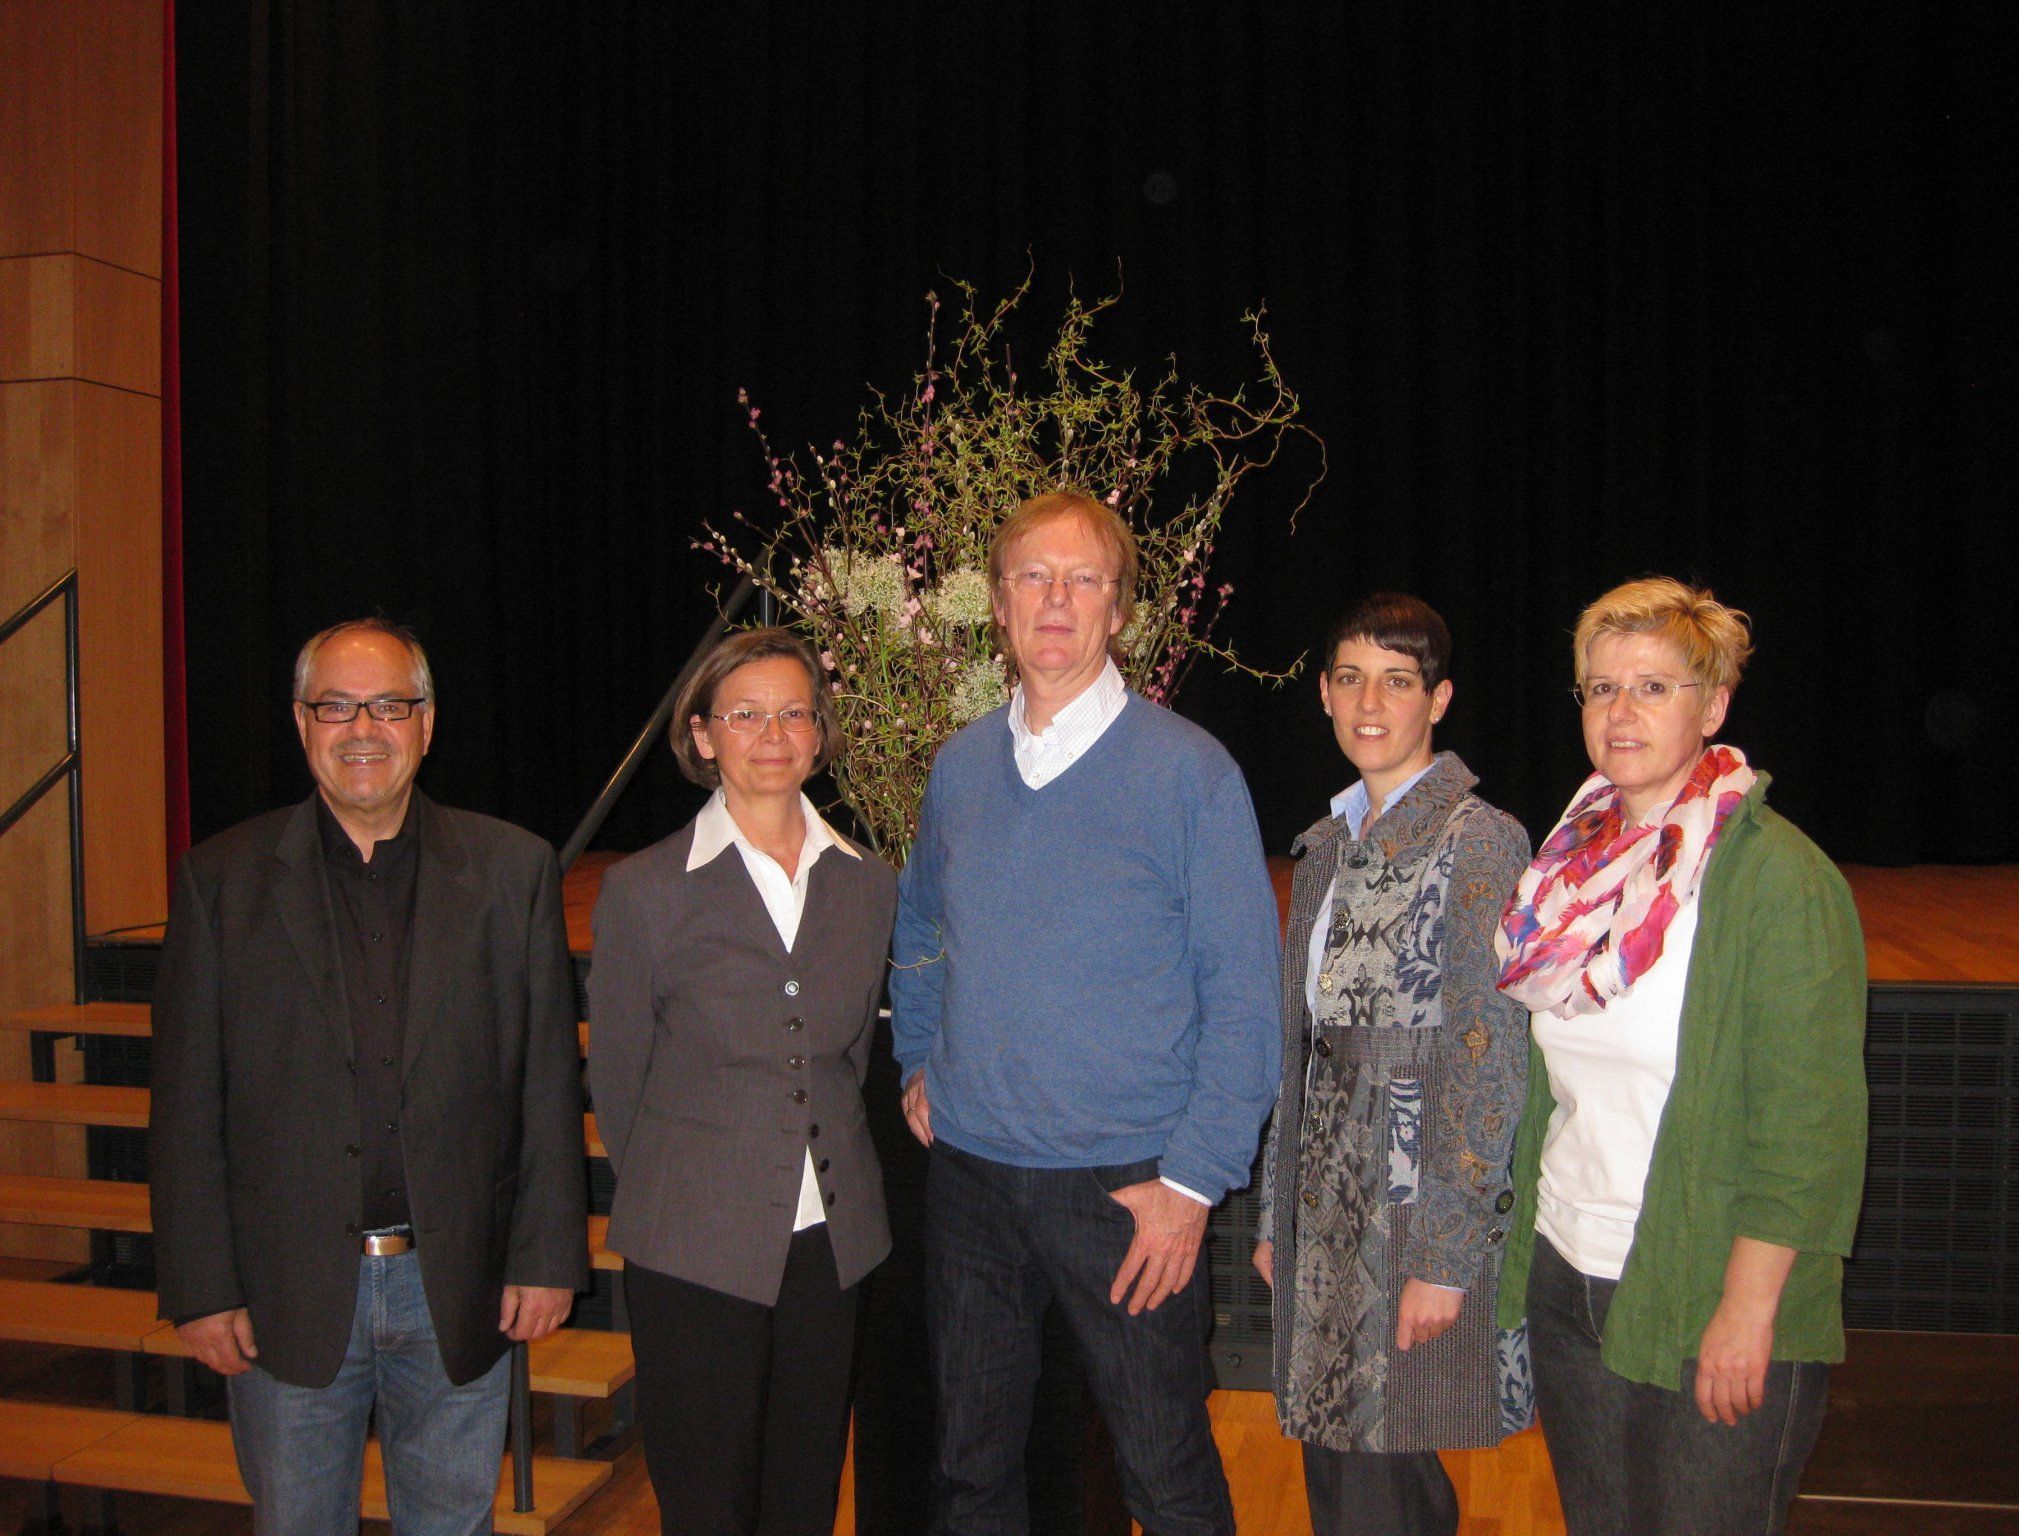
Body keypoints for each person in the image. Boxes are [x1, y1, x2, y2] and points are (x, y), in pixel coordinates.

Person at [891, 489, 1283, 1535]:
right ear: (999, 603)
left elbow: (1246, 998)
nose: (1055, 598)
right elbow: (921, 924)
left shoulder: (1189, 774)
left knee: (1166, 1476)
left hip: (1128, 1192)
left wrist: (1193, 1184)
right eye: (1032, 575)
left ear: (1119, 611)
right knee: (971, 1469)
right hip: (970, 1180)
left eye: (1083, 579)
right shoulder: (959, 766)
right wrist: (919, 1053)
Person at [149, 618, 588, 1536]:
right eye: (337, 706)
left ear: (426, 724)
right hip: (285, 1298)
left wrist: (546, 1257)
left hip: (458, 1286)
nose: (363, 728)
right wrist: (201, 1283)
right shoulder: (218, 883)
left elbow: (546, 1085)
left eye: (388, 705)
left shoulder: (514, 873)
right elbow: (187, 1107)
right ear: (303, 724)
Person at [1493, 578, 1867, 1536]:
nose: (1621, 712)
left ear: (1714, 706)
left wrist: (1748, 1312)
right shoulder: (1568, 872)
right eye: (1601, 688)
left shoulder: (1777, 879)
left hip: (1707, 1287)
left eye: (1654, 688)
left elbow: (1809, 1131)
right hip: (1570, 1274)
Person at [585, 627, 897, 1536]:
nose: (773, 734)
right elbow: (619, 1076)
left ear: (819, 734)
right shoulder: (644, 891)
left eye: (794, 713)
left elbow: (855, 1066)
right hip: (693, 1247)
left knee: (802, 1497)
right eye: (746, 714)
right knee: (708, 1503)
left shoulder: (869, 885)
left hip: (831, 1247)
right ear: (702, 735)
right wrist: (694, 1192)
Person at [1253, 593, 1532, 1536]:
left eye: (1398, 680)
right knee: (1337, 1456)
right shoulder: (1330, 844)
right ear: (1325, 695)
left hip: (1404, 1210)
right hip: (1323, 1202)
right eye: (1350, 678)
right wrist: (1273, 1215)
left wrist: (1450, 1258)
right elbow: (1298, 1051)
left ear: (1439, 699)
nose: (1371, 700)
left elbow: (1488, 1059)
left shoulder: (1477, 838)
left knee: (1386, 1467)